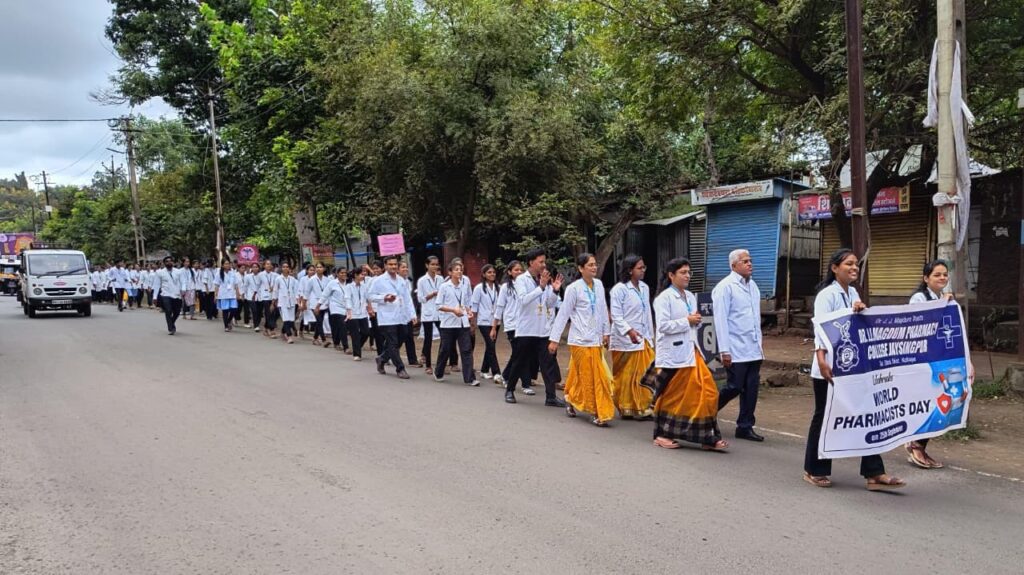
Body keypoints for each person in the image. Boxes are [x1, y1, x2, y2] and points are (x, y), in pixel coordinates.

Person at [803, 248, 906, 490]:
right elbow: (820, 328)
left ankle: (874, 472)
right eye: (848, 264)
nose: (854, 267)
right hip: (828, 366)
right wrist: (820, 358)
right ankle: (814, 469)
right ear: (835, 268)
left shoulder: (852, 294)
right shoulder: (826, 295)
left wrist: (859, 309)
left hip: (851, 366)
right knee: (824, 417)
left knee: (864, 413)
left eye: (856, 264)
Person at [651, 257, 728, 451]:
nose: (687, 276)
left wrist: (696, 321)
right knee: (672, 397)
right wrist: (687, 320)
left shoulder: (690, 296)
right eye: (683, 272)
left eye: (688, 272)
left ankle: (706, 436)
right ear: (671, 275)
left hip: (692, 351)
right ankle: (662, 433)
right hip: (673, 353)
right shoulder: (664, 299)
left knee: (708, 392)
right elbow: (663, 326)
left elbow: (694, 323)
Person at [904, 260, 975, 470]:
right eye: (937, 275)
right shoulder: (919, 298)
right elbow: (918, 324)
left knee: (941, 401)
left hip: (940, 359)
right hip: (922, 360)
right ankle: (916, 445)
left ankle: (918, 444)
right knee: (929, 402)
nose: (942, 278)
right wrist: (941, 304)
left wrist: (967, 361)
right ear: (926, 278)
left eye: (945, 274)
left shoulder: (945, 299)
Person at [548, 253, 614, 426]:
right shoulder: (573, 289)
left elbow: (602, 310)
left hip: (596, 340)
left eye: (595, 264)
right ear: (580, 268)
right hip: (579, 340)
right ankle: (595, 411)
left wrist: (606, 332)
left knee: (581, 375)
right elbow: (563, 315)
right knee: (591, 377)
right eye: (590, 265)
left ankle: (570, 398)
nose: (594, 267)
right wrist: (554, 339)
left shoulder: (598, 285)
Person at [712, 249, 765, 442]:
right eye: (745, 261)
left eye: (750, 260)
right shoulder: (725, 287)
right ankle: (706, 412)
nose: (750, 264)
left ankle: (745, 426)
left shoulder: (753, 287)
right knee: (734, 386)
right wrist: (724, 350)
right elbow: (721, 321)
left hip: (753, 348)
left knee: (751, 388)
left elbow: (754, 318)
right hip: (735, 348)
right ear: (734, 265)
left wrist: (760, 344)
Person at [504, 248, 565, 407]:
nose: (544, 265)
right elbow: (524, 300)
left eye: (545, 262)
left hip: (543, 330)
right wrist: (542, 287)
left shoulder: (543, 278)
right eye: (541, 262)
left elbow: (550, 304)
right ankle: (510, 390)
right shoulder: (521, 280)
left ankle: (550, 396)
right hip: (526, 330)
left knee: (548, 364)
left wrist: (555, 290)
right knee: (519, 361)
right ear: (531, 262)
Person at [609, 255, 655, 420]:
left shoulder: (644, 287)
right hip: (624, 340)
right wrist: (629, 331)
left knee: (644, 373)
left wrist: (651, 337)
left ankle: (642, 407)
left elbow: (647, 313)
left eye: (644, 267)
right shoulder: (619, 290)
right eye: (639, 268)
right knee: (624, 376)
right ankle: (625, 406)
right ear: (629, 270)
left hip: (643, 339)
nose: (643, 270)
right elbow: (616, 316)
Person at [367, 256, 416, 380]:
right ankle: (400, 368)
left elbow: (407, 298)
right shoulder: (379, 280)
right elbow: (370, 296)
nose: (393, 266)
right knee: (393, 343)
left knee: (401, 339)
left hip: (402, 315)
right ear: (385, 266)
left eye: (395, 264)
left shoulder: (402, 280)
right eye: (390, 264)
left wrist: (412, 314)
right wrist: (384, 298)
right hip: (387, 317)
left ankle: (382, 358)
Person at [434, 260, 477, 385]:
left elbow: (465, 303)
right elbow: (438, 305)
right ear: (450, 272)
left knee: (466, 350)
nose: (459, 272)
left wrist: (469, 311)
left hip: (463, 322)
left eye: (461, 269)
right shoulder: (444, 287)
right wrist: (453, 310)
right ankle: (439, 371)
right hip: (448, 323)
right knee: (445, 349)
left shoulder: (463, 286)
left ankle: (470, 378)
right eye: (456, 269)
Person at [491, 260, 523, 387]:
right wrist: (494, 327)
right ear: (509, 272)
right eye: (516, 270)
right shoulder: (505, 287)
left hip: (524, 324)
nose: (519, 272)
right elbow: (499, 308)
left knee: (520, 352)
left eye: (521, 270)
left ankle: (508, 376)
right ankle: (506, 376)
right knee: (517, 352)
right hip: (511, 324)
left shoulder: (526, 285)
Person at [472, 264, 501, 381]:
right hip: (484, 321)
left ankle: (484, 370)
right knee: (491, 345)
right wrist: (472, 322)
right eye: (489, 272)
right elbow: (474, 306)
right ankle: (496, 372)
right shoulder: (479, 288)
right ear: (483, 274)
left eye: (493, 272)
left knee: (490, 346)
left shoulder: (498, 287)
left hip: (495, 321)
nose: (492, 274)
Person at [417, 256, 443, 371]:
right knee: (428, 339)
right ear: (427, 265)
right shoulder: (422, 280)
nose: (435, 267)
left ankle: (441, 363)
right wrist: (431, 294)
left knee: (444, 337)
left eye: (436, 264)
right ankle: (428, 365)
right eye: (432, 264)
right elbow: (420, 299)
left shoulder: (440, 279)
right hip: (427, 312)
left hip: (439, 312)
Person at [318, 267, 351, 353]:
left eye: (345, 273)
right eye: (341, 273)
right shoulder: (332, 283)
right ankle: (346, 347)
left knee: (339, 327)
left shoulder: (349, 283)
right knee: (342, 325)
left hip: (346, 308)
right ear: (337, 274)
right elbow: (325, 295)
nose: (344, 274)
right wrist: (318, 305)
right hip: (335, 308)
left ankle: (336, 342)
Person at [345, 266, 372, 362]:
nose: (363, 276)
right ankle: (357, 354)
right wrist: (349, 312)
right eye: (361, 274)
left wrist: (370, 309)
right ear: (355, 275)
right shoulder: (349, 287)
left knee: (366, 332)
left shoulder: (364, 286)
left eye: (364, 274)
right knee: (355, 334)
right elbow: (347, 299)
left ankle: (357, 346)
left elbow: (368, 299)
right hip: (353, 314)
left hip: (363, 313)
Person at [151, 256, 183, 335]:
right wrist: (154, 297)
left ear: (173, 262)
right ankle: (171, 328)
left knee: (177, 312)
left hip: (176, 294)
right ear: (164, 263)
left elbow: (183, 282)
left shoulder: (178, 272)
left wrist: (183, 290)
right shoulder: (160, 272)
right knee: (168, 310)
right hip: (165, 294)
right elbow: (156, 285)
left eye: (171, 261)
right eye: (167, 261)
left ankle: (171, 322)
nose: (169, 262)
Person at [398, 261, 422, 367]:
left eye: (406, 267)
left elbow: (409, 300)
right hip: (397, 314)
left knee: (409, 336)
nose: (405, 269)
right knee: (398, 338)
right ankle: (385, 356)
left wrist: (413, 314)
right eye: (402, 267)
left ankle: (412, 360)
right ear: (398, 270)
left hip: (407, 314)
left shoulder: (407, 281)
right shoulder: (395, 282)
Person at [303, 263, 330, 347]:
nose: (318, 269)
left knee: (320, 322)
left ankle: (315, 338)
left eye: (320, 267)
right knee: (319, 321)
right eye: (317, 267)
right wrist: (304, 304)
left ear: (324, 268)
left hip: (324, 303)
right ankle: (323, 340)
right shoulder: (312, 279)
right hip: (314, 303)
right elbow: (306, 292)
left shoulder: (327, 280)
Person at [213, 260, 242, 332]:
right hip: (223, 294)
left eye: (228, 264)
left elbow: (236, 284)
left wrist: (238, 294)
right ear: (222, 265)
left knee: (234, 309)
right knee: (225, 310)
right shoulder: (219, 274)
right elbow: (216, 285)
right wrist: (215, 295)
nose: (227, 265)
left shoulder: (233, 273)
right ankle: (226, 326)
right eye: (225, 264)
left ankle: (229, 320)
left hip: (232, 294)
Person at [274, 262, 299, 343]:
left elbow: (296, 291)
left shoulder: (292, 279)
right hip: (282, 302)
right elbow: (275, 291)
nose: (285, 268)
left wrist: (297, 301)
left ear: (289, 268)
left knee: (291, 319)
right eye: (284, 267)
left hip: (291, 301)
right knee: (286, 319)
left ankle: (282, 332)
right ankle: (289, 336)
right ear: (281, 268)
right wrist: (274, 301)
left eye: (287, 267)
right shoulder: (278, 279)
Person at [257, 259, 278, 338]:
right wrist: (259, 296)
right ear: (264, 266)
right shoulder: (260, 275)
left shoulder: (275, 275)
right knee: (268, 312)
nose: (269, 265)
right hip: (265, 296)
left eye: (270, 264)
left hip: (272, 296)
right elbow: (258, 286)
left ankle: (266, 327)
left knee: (274, 313)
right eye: (267, 264)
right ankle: (271, 329)